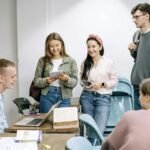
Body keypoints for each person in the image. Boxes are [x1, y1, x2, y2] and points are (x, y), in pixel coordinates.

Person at [79, 34, 118, 137]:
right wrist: (87, 85)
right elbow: (81, 81)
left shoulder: (109, 62)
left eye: (93, 46)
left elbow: (115, 82)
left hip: (103, 98)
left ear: (100, 46)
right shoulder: (84, 63)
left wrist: (102, 84)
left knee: (98, 132)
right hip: (87, 97)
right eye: (88, 47)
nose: (91, 49)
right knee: (89, 129)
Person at [34, 32, 78, 113]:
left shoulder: (71, 61)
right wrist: (46, 80)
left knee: (61, 123)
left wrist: (67, 79)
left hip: (64, 97)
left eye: (57, 45)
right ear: (48, 47)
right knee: (46, 123)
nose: (55, 49)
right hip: (47, 96)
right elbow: (36, 81)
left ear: (62, 45)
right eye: (51, 46)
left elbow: (75, 82)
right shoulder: (42, 61)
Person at [101, 78, 150, 150]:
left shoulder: (131, 117)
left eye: (140, 94)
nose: (139, 98)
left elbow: (108, 145)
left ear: (147, 98)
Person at [128, 3, 150, 110]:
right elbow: (138, 58)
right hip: (136, 86)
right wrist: (133, 51)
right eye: (133, 17)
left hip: (148, 87)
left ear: (147, 16)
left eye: (137, 17)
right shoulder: (136, 34)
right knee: (139, 122)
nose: (134, 20)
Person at [0, 58, 17, 133]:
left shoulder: (1, 95)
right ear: (1, 78)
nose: (15, 79)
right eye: (12, 77)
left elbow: (2, 121)